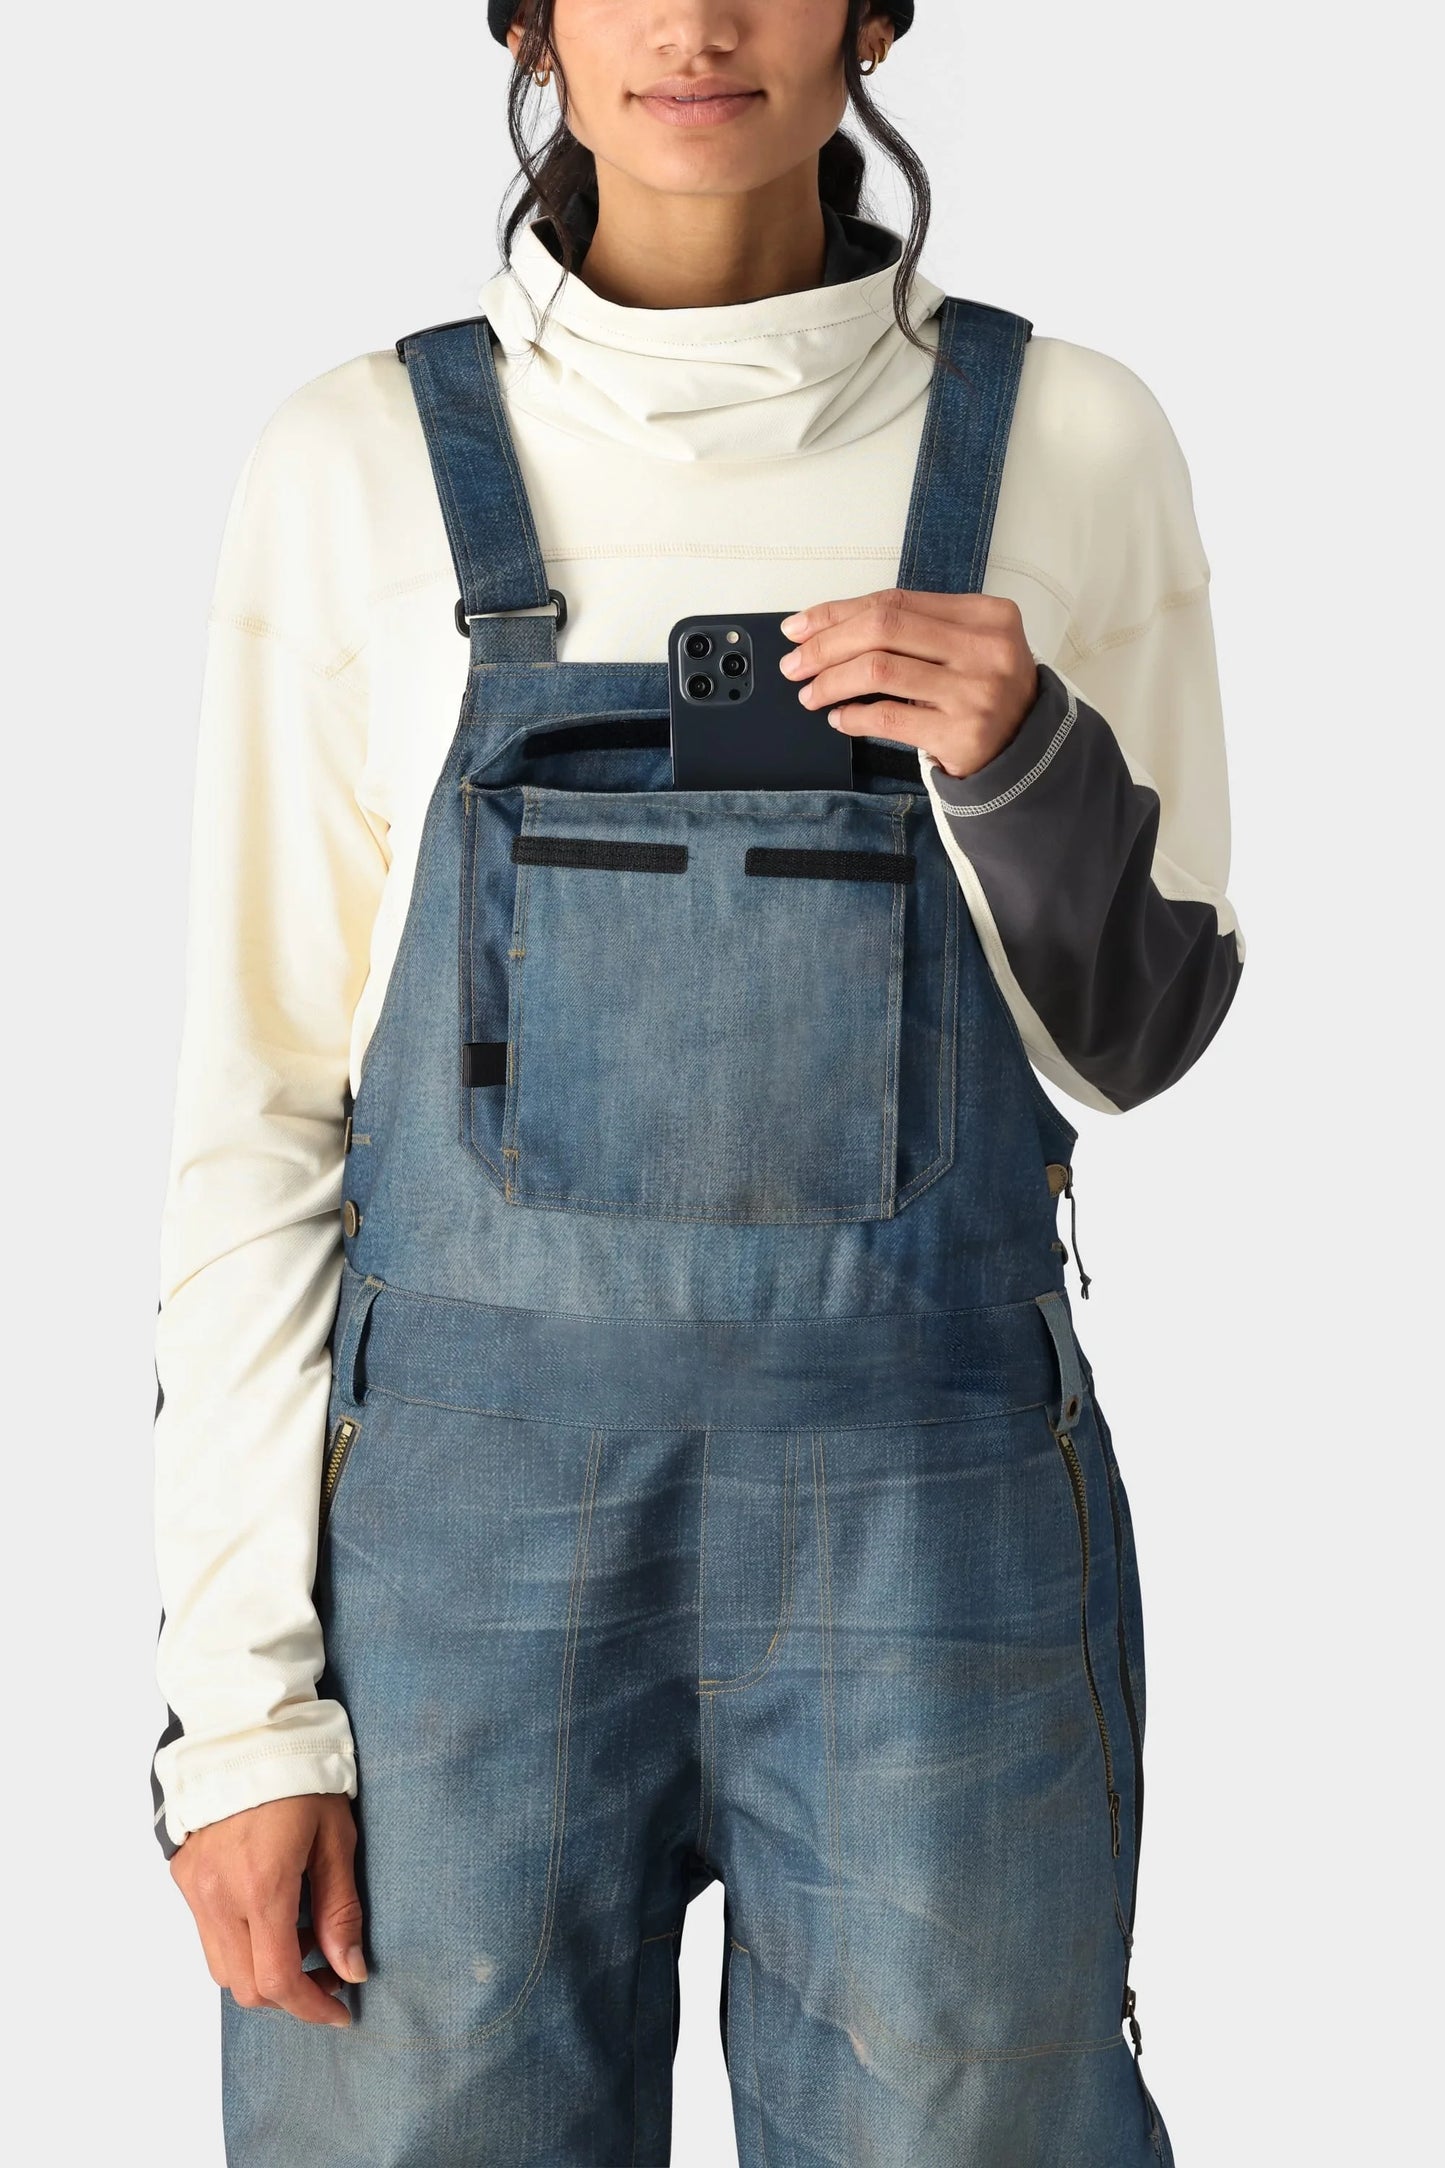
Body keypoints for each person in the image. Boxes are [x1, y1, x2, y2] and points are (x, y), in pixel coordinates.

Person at [150, 4, 1244, 2161]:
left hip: (933, 1527)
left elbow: (1142, 1037)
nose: (698, 22)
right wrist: (240, 1720)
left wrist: (1020, 760)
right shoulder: (356, 463)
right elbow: (258, 1116)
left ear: (877, 9)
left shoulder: (1070, 443)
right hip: (450, 1571)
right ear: (532, 17)